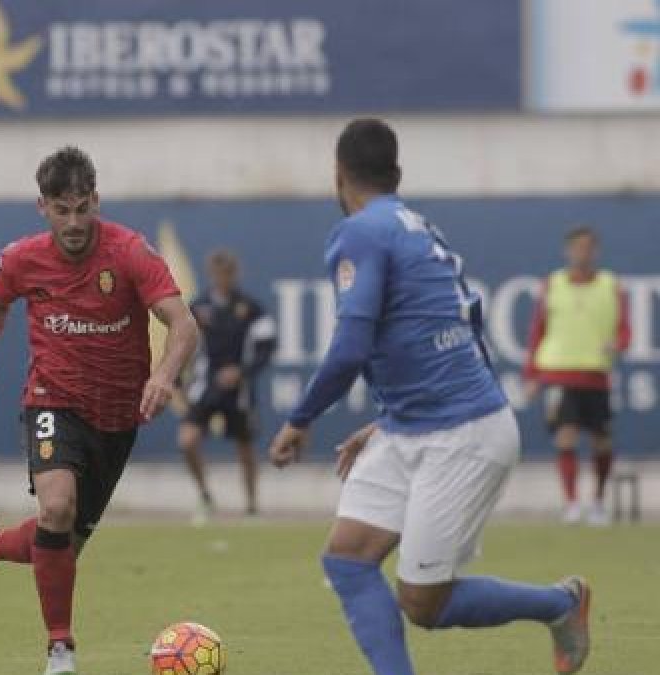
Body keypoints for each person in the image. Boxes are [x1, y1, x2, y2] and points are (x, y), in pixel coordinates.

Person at [267, 119, 592, 675]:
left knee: (423, 604)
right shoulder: (417, 227)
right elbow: (466, 333)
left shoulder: (361, 231)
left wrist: (299, 420)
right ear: (397, 174)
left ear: (339, 175)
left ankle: (562, 604)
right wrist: (386, 419)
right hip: (413, 426)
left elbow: (350, 347)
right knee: (348, 559)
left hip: (460, 435)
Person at [0, 146, 198, 675]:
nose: (75, 222)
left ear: (96, 200)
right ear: (43, 208)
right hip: (52, 400)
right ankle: (61, 647)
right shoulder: (21, 258)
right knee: (56, 511)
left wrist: (163, 375)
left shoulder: (129, 253)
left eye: (83, 208)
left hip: (118, 415)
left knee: (57, 546)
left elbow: (183, 322)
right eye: (63, 210)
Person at [523, 226, 631, 526]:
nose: (582, 253)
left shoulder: (610, 285)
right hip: (559, 374)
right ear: (568, 251)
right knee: (565, 436)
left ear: (595, 251)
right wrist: (531, 374)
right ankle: (571, 503)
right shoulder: (553, 284)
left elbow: (624, 331)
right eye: (577, 248)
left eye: (588, 248)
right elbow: (537, 332)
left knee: (601, 442)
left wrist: (618, 344)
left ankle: (597, 502)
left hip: (595, 374)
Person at [178, 249, 276, 522]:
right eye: (219, 273)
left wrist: (242, 371)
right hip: (205, 386)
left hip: (239, 390)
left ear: (236, 273)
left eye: (228, 273)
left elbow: (267, 348)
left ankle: (252, 506)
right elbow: (182, 344)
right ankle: (205, 496)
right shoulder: (198, 307)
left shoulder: (251, 308)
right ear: (211, 274)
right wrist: (177, 377)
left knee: (245, 448)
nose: (223, 278)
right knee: (188, 440)